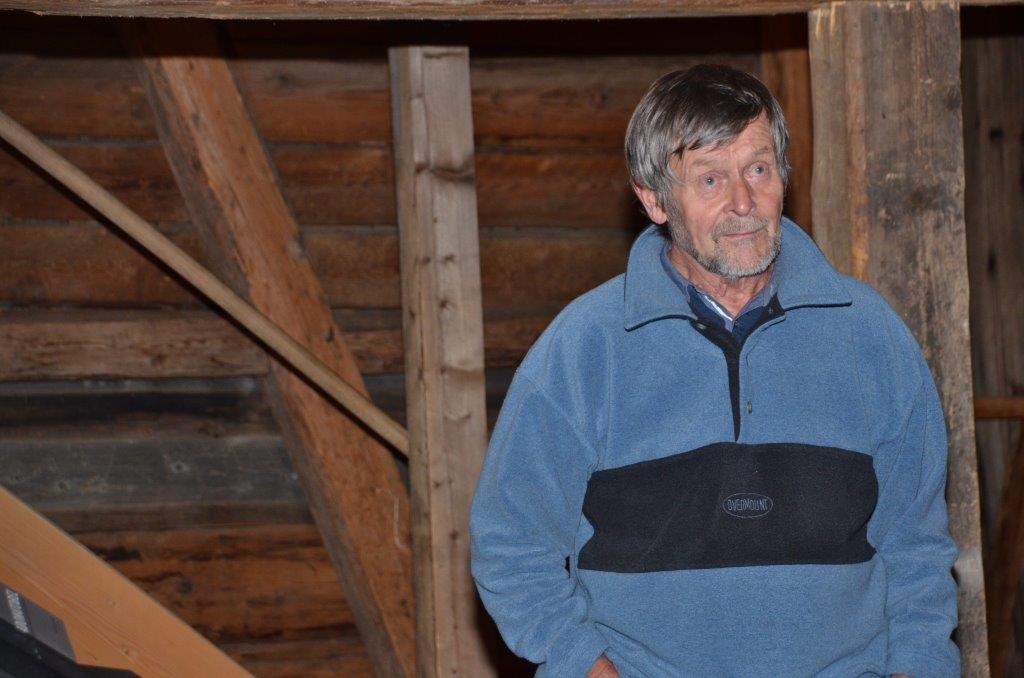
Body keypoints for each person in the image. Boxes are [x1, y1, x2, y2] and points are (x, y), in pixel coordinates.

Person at [469, 64, 960, 677]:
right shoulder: (584, 349)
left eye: (758, 169)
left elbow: (916, 548)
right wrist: (585, 667)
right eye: (710, 178)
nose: (743, 203)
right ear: (654, 200)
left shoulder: (870, 337)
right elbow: (511, 545)